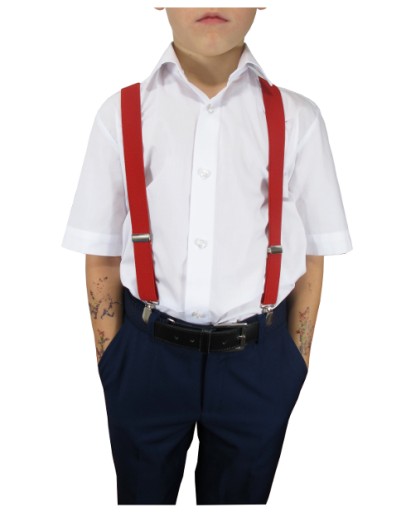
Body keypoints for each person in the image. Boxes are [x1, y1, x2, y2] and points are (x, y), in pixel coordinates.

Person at [61, 7, 352, 505]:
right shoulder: (122, 113)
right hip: (146, 357)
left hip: (259, 362)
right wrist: (114, 359)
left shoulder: (298, 118)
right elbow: (102, 252)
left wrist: (293, 360)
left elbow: (312, 254)